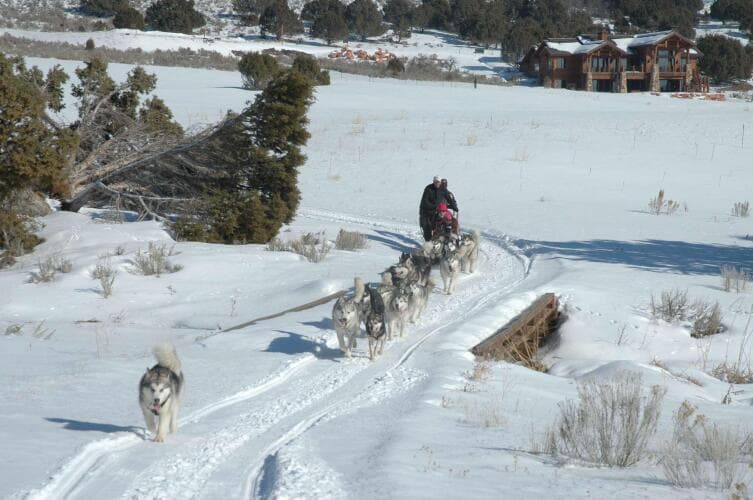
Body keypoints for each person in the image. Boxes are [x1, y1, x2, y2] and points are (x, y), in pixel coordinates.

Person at [419, 175, 441, 241]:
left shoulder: (441, 189)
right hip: (425, 212)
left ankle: (435, 243)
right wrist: (435, 206)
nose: (437, 183)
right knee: (427, 228)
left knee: (437, 227)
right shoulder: (428, 188)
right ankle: (428, 244)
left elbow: (446, 196)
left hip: (434, 212)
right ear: (433, 181)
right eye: (436, 182)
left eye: (438, 182)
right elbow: (425, 201)